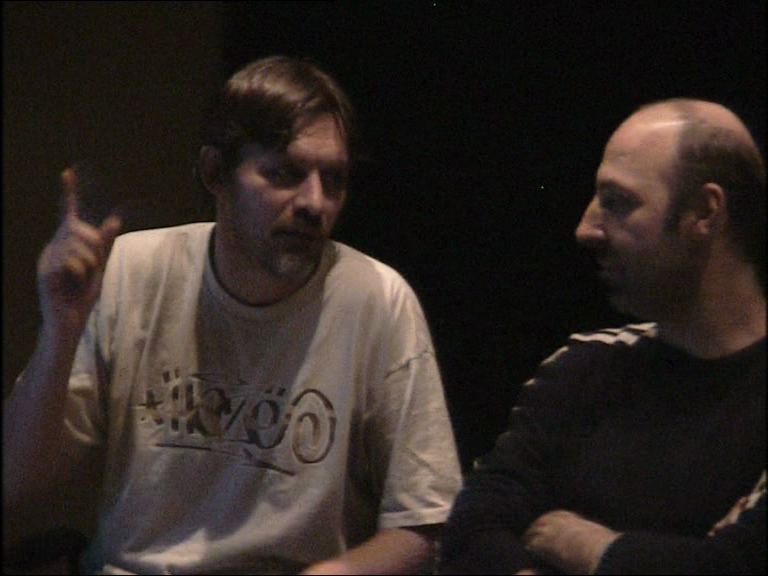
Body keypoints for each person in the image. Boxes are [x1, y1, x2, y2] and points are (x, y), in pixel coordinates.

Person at [3, 55, 462, 575]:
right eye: (286, 174)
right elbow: (16, 480)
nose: (315, 203)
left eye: (334, 179)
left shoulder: (378, 300)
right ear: (215, 172)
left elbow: (428, 526)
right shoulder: (135, 269)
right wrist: (60, 332)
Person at [436, 98, 766, 575]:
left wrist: (593, 549)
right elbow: (469, 535)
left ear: (704, 212)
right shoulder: (585, 367)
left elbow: (735, 567)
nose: (585, 229)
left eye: (618, 202)